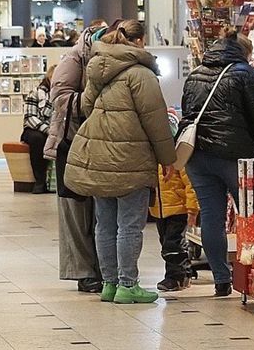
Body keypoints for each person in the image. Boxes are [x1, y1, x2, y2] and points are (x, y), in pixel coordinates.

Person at [65, 20, 176, 304]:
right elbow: (156, 122)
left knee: (104, 224)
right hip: (130, 158)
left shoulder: (97, 69)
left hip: (99, 155)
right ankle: (128, 285)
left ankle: (109, 284)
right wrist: (168, 159)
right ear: (138, 42)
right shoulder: (141, 74)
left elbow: (86, 106)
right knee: (129, 225)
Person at [179, 29, 254, 296]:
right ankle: (252, 276)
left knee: (212, 216)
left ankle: (221, 280)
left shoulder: (196, 73)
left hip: (197, 155)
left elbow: (188, 112)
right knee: (249, 214)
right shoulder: (245, 73)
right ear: (244, 53)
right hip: (234, 155)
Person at [43, 21, 110, 295]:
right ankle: (83, 272)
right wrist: (95, 97)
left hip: (99, 141)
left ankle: (103, 269)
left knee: (99, 211)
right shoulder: (73, 60)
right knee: (75, 211)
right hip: (71, 144)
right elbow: (61, 100)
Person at [151, 108, 199, 292]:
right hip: (159, 210)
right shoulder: (153, 156)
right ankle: (181, 272)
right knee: (166, 244)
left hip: (178, 209)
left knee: (172, 244)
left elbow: (190, 185)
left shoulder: (178, 156)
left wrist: (192, 210)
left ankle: (176, 276)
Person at [21, 65, 56, 194]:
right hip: (34, 129)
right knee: (38, 139)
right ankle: (40, 181)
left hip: (55, 128)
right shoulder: (35, 93)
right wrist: (48, 130)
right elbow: (30, 118)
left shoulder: (64, 95)